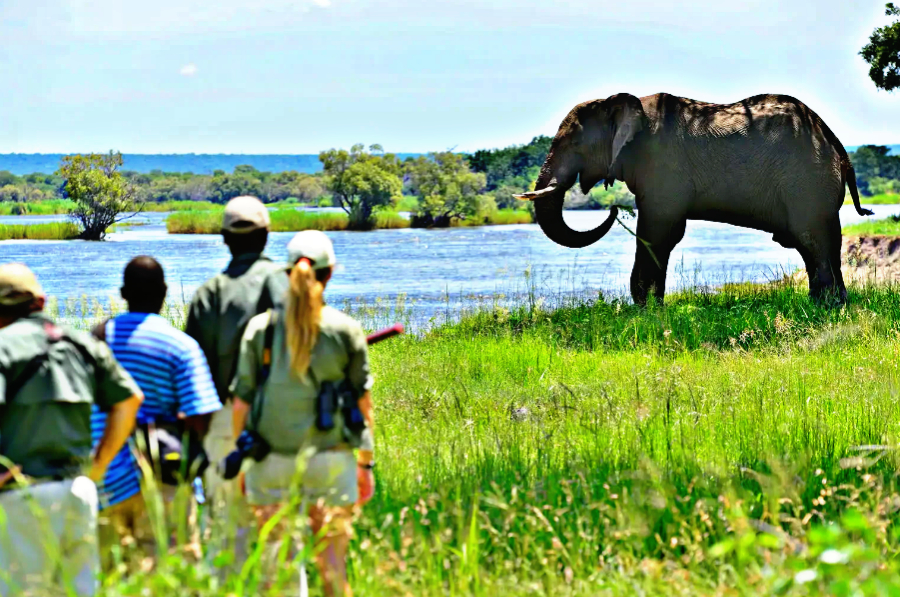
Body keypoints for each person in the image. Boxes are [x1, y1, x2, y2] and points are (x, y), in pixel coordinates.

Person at [231, 230, 375, 597]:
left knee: (278, 578)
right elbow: (363, 405)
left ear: (285, 272)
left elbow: (241, 404)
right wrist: (365, 464)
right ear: (330, 273)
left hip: (270, 461)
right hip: (331, 460)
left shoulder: (259, 330)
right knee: (333, 572)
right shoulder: (345, 329)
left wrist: (245, 458)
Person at [0, 263, 143, 597]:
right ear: (41, 301)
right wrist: (99, 465)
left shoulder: (3, 346)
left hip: (20, 495)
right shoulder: (80, 343)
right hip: (79, 492)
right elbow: (130, 400)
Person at [92, 256, 221, 563]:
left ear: (123, 294)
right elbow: (201, 416)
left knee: (113, 577)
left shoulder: (96, 341)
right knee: (171, 571)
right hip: (164, 480)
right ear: (164, 293)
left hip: (106, 480)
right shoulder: (180, 346)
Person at [184, 196, 287, 540]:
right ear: (267, 234)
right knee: (281, 533)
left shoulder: (208, 295)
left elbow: (193, 376)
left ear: (225, 239)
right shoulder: (288, 284)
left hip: (223, 422)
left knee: (225, 531)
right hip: (284, 419)